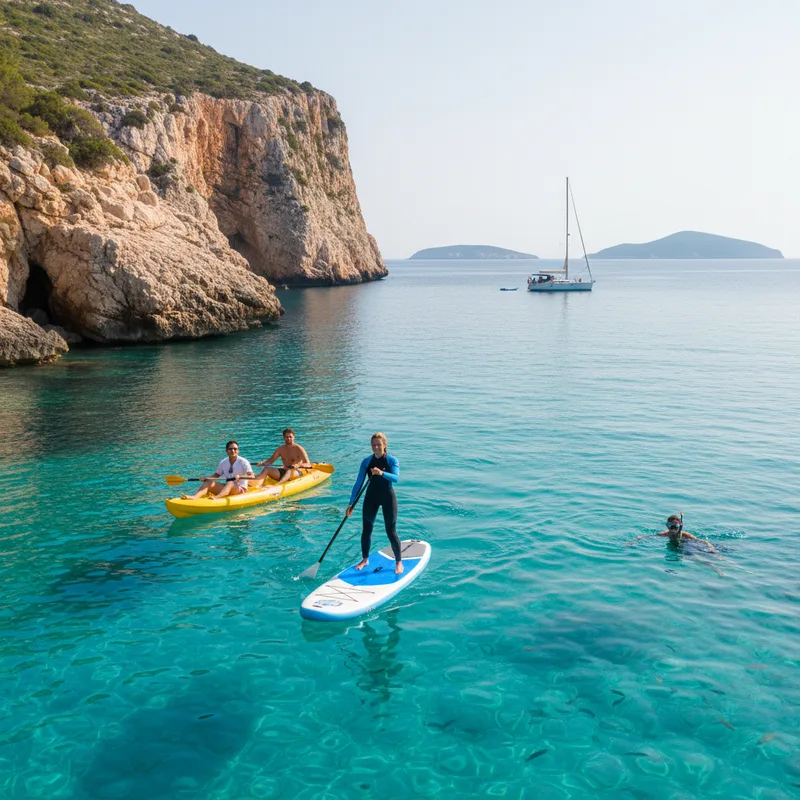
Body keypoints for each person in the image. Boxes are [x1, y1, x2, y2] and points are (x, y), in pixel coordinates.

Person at [346, 432, 403, 574]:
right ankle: (365, 559)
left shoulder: (391, 460)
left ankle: (398, 562)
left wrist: (382, 473)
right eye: (373, 445)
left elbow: (396, 478)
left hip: (388, 497)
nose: (376, 447)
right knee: (366, 530)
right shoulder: (366, 462)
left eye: (379, 444)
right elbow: (359, 482)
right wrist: (351, 503)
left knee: (391, 532)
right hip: (371, 497)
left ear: (384, 445)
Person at [186, 441, 255, 500]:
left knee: (230, 482)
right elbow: (215, 476)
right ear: (226, 450)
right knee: (208, 482)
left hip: (240, 489)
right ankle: (195, 497)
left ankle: (217, 497)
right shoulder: (223, 462)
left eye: (235, 449)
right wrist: (206, 478)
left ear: (238, 450)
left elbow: (252, 476)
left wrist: (240, 477)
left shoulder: (244, 462)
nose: (233, 451)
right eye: (230, 449)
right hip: (227, 488)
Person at [627, 514, 716, 551]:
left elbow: (700, 541)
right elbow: (646, 536)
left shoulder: (685, 534)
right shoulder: (666, 534)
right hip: (678, 548)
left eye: (675, 526)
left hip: (688, 545)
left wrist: (709, 546)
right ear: (667, 526)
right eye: (671, 526)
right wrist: (634, 541)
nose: (673, 528)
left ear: (679, 526)